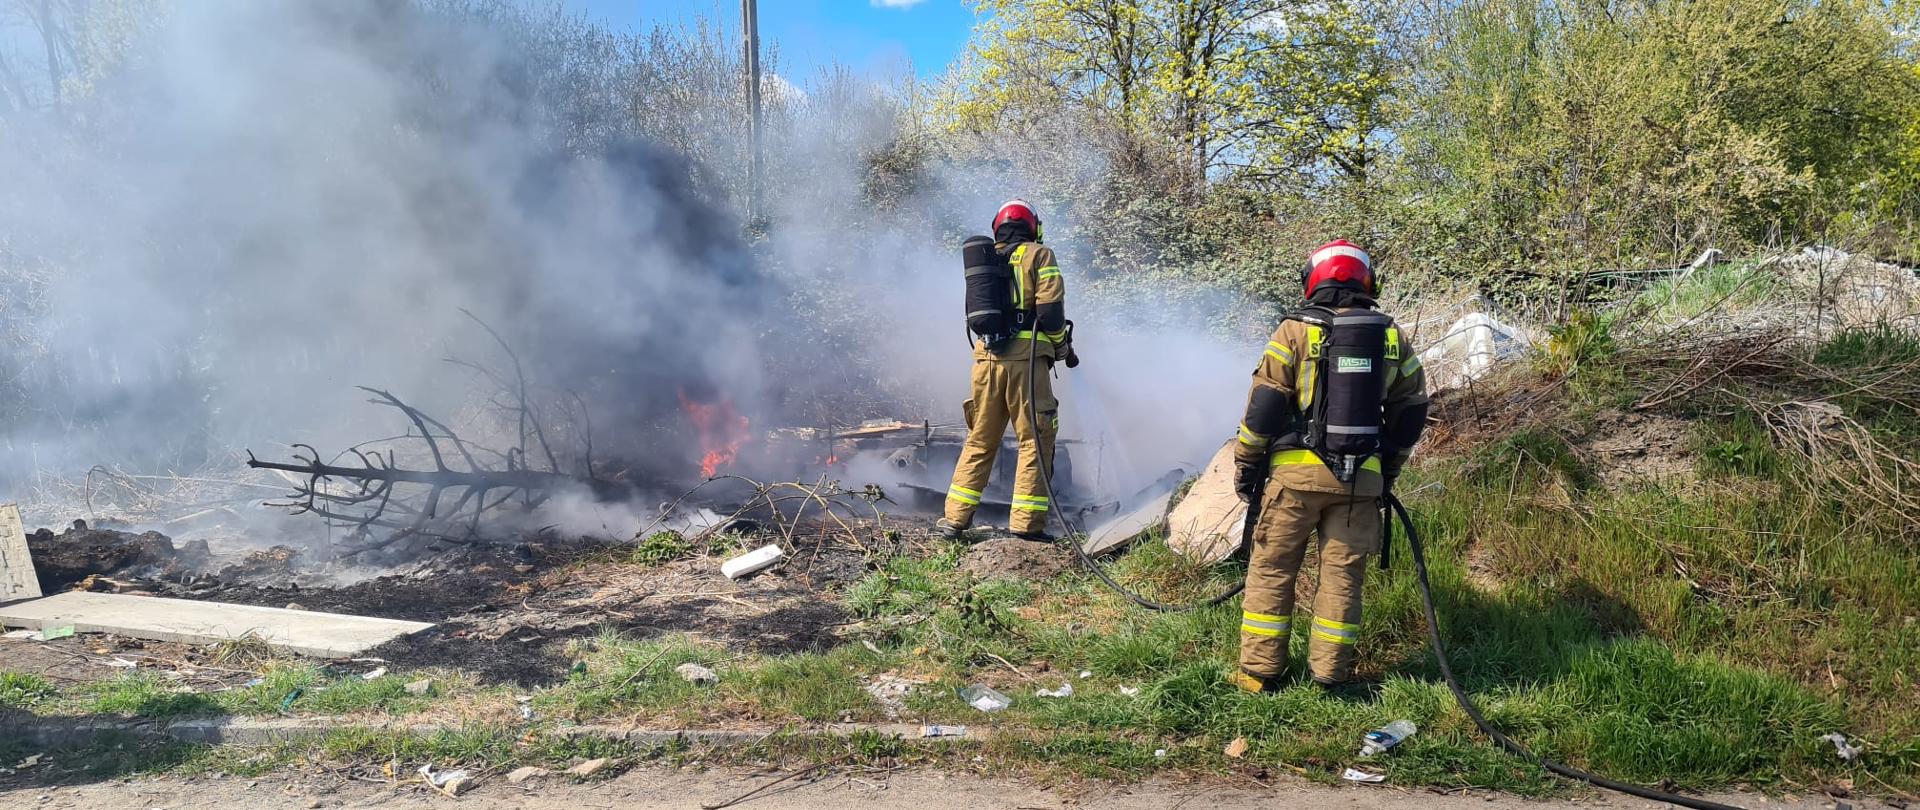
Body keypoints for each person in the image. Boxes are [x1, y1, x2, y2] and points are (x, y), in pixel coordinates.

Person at [1228, 239, 1429, 692]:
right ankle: (1330, 677)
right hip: (1362, 481)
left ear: (1312, 280)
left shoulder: (1294, 331)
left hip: (1295, 481)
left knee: (1273, 569)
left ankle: (1259, 673)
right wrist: (1389, 468)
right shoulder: (1392, 337)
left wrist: (1246, 461)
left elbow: (1264, 406)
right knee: (1342, 578)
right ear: (1367, 281)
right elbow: (1412, 410)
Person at [939, 199, 1071, 542]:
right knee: (1035, 440)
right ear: (1033, 227)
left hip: (984, 361)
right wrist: (1061, 347)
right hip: (1024, 364)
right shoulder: (1040, 255)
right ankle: (1026, 528)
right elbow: (1051, 313)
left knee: (981, 439)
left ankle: (954, 520)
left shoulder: (987, 259)